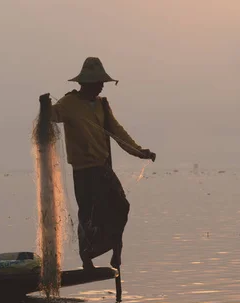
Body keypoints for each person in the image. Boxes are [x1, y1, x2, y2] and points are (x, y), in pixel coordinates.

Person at [39, 57, 156, 270]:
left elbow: (117, 132)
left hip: (102, 168)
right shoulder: (69, 104)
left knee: (121, 206)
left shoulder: (102, 105)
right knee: (89, 217)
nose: (102, 86)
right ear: (87, 83)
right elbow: (52, 117)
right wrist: (45, 107)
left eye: (102, 82)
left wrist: (140, 152)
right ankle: (87, 259)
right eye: (98, 82)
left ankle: (115, 249)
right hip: (83, 171)